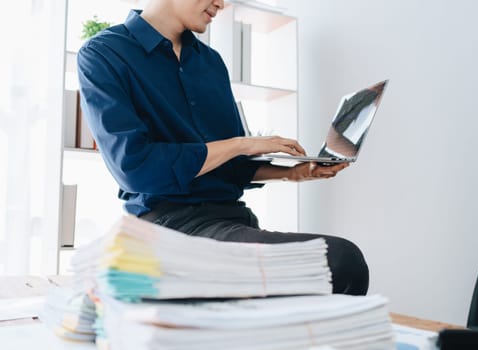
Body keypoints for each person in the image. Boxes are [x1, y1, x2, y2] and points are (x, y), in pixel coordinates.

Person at [77, 0, 369, 295]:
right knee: (342, 260)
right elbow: (135, 168)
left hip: (231, 222)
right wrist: (242, 143)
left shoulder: (211, 62)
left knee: (329, 270)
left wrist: (294, 173)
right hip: (170, 228)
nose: (221, 3)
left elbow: (232, 167)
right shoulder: (103, 54)